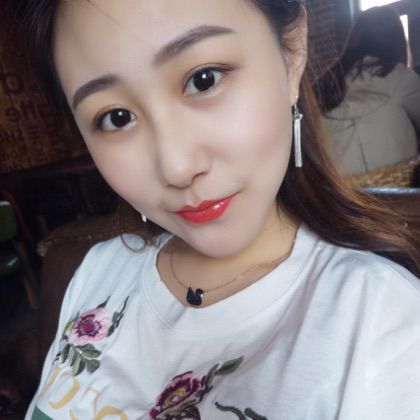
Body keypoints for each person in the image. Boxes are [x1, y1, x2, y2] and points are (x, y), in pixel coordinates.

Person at [6, 0, 420, 418]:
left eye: (203, 80)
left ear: (291, 53)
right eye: (116, 117)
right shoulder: (97, 272)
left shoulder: (382, 324)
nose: (177, 167)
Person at [316, 6, 420, 176]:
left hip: (337, 187)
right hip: (396, 183)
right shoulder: (399, 77)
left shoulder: (325, 83)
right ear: (396, 41)